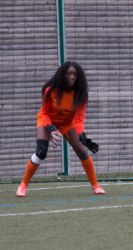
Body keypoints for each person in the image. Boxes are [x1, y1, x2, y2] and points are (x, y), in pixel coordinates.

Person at [16, 61, 106, 197]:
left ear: (78, 76)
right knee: (41, 152)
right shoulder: (50, 90)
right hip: (47, 120)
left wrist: (82, 135)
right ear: (62, 75)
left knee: (81, 151)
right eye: (68, 73)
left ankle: (96, 186)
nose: (71, 77)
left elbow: (78, 119)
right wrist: (51, 129)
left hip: (67, 123)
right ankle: (23, 185)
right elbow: (45, 113)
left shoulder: (81, 94)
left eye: (74, 74)